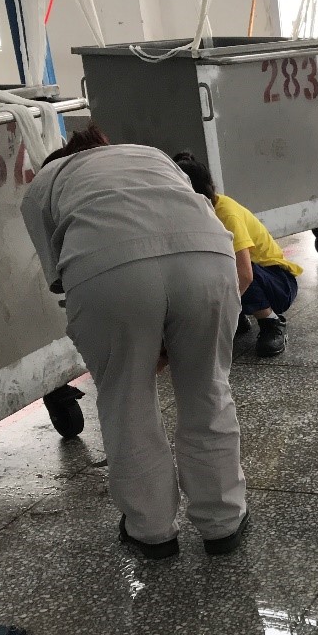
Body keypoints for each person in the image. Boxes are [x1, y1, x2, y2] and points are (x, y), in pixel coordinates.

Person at [21, 126, 249, 559]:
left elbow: (60, 279)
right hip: (206, 257)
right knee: (207, 388)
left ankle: (151, 531)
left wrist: (139, 340)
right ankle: (224, 522)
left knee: (127, 402)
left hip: (108, 270)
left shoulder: (43, 185)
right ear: (104, 146)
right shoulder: (150, 153)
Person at [172, 152, 302, 358]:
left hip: (278, 283)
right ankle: (239, 314)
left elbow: (245, 274)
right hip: (256, 276)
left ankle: (271, 322)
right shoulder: (200, 212)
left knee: (229, 270)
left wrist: (220, 313)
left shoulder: (226, 215)